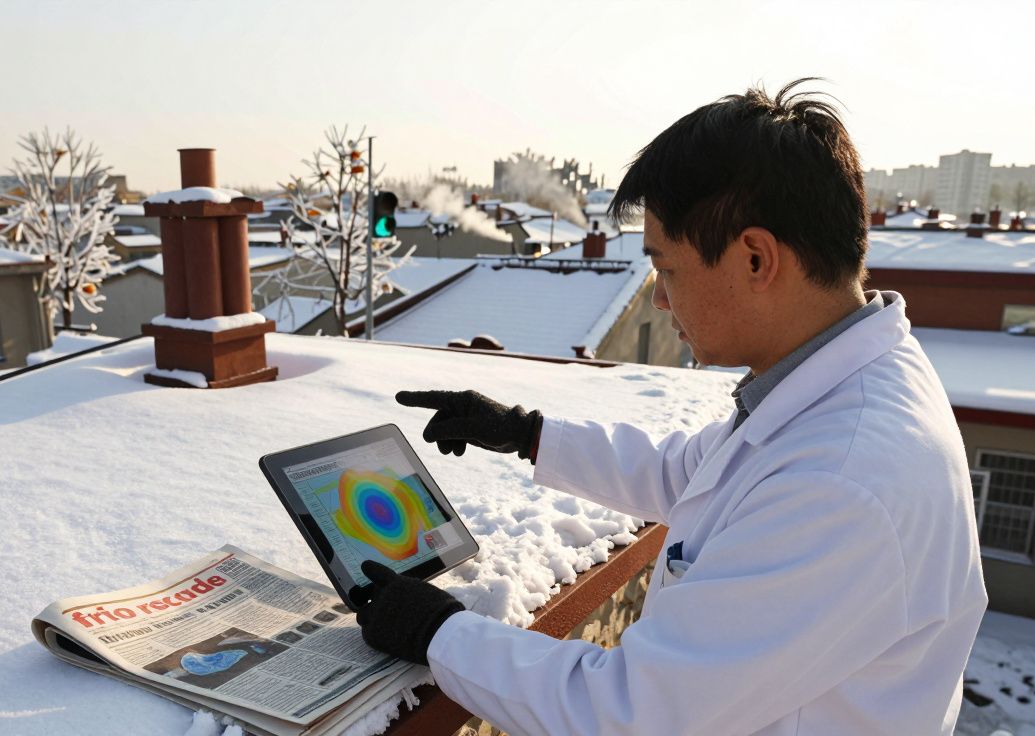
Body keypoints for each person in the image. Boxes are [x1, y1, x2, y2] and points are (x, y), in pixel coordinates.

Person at [355, 79, 988, 735]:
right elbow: (692, 474)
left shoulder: (840, 481)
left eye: (667, 268)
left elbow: (632, 714)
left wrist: (440, 632)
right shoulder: (834, 389)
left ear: (754, 258)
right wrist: (527, 434)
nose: (659, 299)